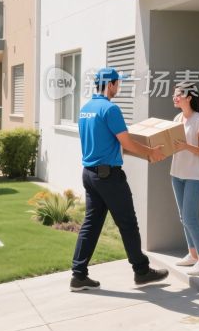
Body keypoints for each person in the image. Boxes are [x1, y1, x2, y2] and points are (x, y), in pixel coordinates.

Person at [71, 68, 169, 291]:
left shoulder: (85, 109)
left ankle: (78, 274)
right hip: (108, 176)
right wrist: (150, 152)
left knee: (91, 224)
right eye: (118, 83)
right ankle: (142, 271)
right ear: (110, 84)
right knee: (127, 223)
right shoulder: (110, 109)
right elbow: (126, 142)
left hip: (89, 174)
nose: (119, 88)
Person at [170, 82, 199, 276]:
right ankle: (193, 255)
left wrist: (185, 146)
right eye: (174, 94)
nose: (174, 97)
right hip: (177, 173)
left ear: (189, 97)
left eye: (178, 94)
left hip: (195, 175)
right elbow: (173, 146)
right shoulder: (178, 118)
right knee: (183, 217)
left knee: (190, 217)